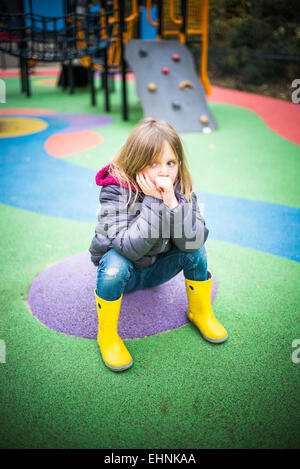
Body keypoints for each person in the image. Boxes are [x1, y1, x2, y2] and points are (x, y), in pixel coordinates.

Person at [89, 118, 228, 372]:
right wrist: (154, 202)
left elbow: (194, 240)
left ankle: (200, 312)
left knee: (196, 247)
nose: (163, 172)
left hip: (158, 271)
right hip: (126, 275)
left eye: (170, 163)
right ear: (135, 162)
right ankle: (107, 335)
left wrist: (173, 204)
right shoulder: (114, 190)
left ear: (179, 164)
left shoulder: (180, 188)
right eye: (152, 163)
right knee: (113, 265)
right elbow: (128, 248)